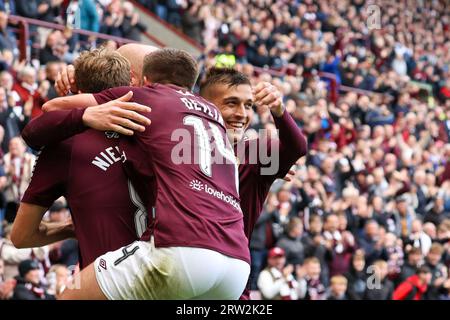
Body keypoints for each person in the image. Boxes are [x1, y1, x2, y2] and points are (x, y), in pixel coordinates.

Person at [38, 48, 251, 300]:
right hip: (237, 267)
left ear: (145, 81)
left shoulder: (146, 97)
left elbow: (53, 107)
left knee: (70, 295)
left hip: (184, 250)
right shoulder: (211, 113)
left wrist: (88, 106)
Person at [13, 47, 154, 273]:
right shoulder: (155, 127)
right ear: (132, 81)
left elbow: (21, 236)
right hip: (166, 275)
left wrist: (71, 228)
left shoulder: (64, 144)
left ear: (76, 88)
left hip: (107, 281)